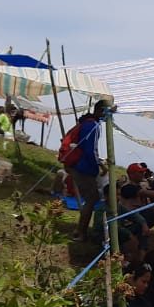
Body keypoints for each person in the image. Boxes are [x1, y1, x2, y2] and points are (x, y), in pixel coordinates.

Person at [67, 102, 107, 243]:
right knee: (91, 200)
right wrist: (99, 166)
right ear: (101, 111)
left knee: (91, 199)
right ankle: (80, 232)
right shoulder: (92, 126)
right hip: (84, 167)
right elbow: (90, 150)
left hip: (80, 164)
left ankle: (81, 230)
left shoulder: (87, 123)